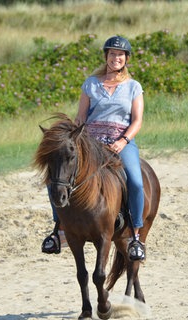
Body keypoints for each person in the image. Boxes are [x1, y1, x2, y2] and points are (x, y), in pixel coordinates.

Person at [41, 35, 146, 261]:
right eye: (112, 54)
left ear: (126, 58)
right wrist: (70, 137)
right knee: (56, 177)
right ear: (106, 57)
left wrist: (123, 141)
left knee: (136, 181)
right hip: (90, 142)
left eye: (120, 55)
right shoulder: (91, 83)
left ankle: (136, 236)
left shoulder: (133, 87)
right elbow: (80, 117)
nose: (115, 58)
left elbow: (137, 121)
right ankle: (58, 231)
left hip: (120, 141)